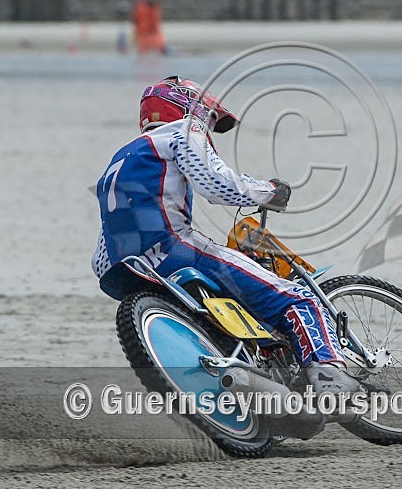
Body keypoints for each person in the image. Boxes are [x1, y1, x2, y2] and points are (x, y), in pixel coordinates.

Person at [91, 76, 363, 394]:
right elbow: (219, 186)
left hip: (122, 272)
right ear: (190, 108)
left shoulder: (121, 158)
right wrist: (269, 192)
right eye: (211, 118)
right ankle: (331, 376)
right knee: (297, 299)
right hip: (171, 249)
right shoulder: (181, 132)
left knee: (223, 311)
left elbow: (101, 255)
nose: (208, 127)